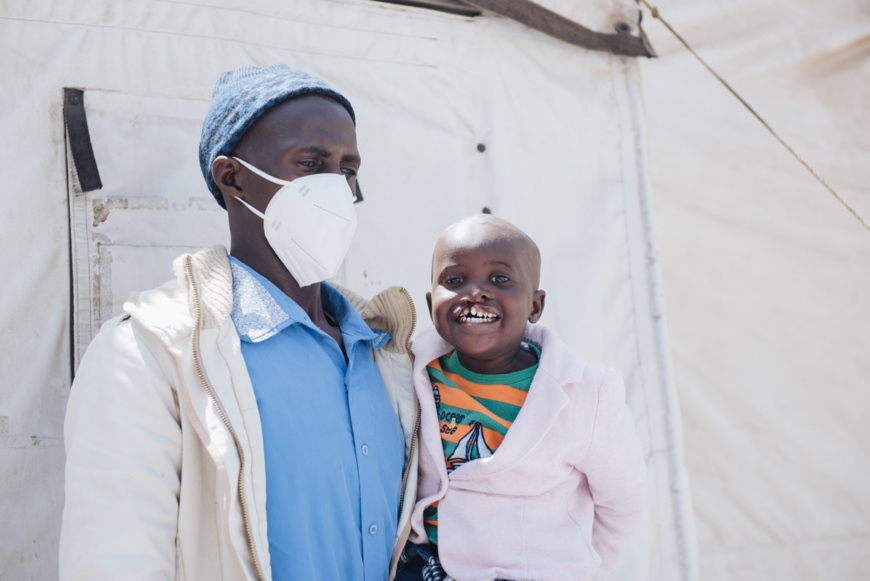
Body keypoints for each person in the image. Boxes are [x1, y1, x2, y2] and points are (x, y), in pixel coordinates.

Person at [59, 64, 420, 581]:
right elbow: (114, 562)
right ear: (232, 178)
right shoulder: (150, 352)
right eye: (310, 163)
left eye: (347, 169)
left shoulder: (388, 352)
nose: (336, 188)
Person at [397, 214, 647, 580]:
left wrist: (580, 567)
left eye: (500, 279)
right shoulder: (413, 371)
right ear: (430, 302)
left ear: (535, 305)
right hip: (425, 567)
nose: (476, 292)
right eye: (454, 280)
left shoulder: (585, 393)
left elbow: (623, 500)